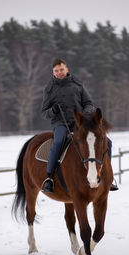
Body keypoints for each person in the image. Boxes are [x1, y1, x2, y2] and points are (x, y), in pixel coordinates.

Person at [41, 58, 118, 193]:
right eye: (56, 71)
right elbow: (44, 113)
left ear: (67, 69)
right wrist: (53, 110)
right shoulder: (49, 89)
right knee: (58, 141)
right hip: (61, 123)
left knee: (108, 142)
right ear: (53, 72)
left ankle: (108, 176)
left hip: (81, 122)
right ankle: (49, 178)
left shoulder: (78, 85)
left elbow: (88, 102)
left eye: (61, 69)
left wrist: (87, 112)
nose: (59, 72)